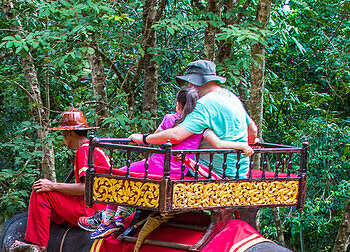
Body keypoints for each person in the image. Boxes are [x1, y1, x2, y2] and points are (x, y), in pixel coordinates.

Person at [86, 85, 254, 238]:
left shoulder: (170, 119)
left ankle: (110, 220)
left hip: (158, 166)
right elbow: (219, 143)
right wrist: (242, 145)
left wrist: (141, 138)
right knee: (130, 174)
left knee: (119, 174)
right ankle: (119, 215)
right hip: (182, 170)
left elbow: (161, 137)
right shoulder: (201, 126)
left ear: (178, 106)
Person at [130, 59, 258, 179]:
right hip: (239, 170)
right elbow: (253, 131)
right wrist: (243, 146)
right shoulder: (232, 97)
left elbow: (176, 135)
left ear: (193, 82)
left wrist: (144, 139)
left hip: (212, 171)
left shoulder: (206, 103)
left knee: (150, 169)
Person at [23, 109, 110, 250]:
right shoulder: (95, 148)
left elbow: (85, 188)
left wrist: (52, 186)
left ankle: (39, 246)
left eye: (63, 134)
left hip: (91, 209)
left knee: (41, 193)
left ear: (69, 133)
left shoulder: (84, 150)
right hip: (101, 206)